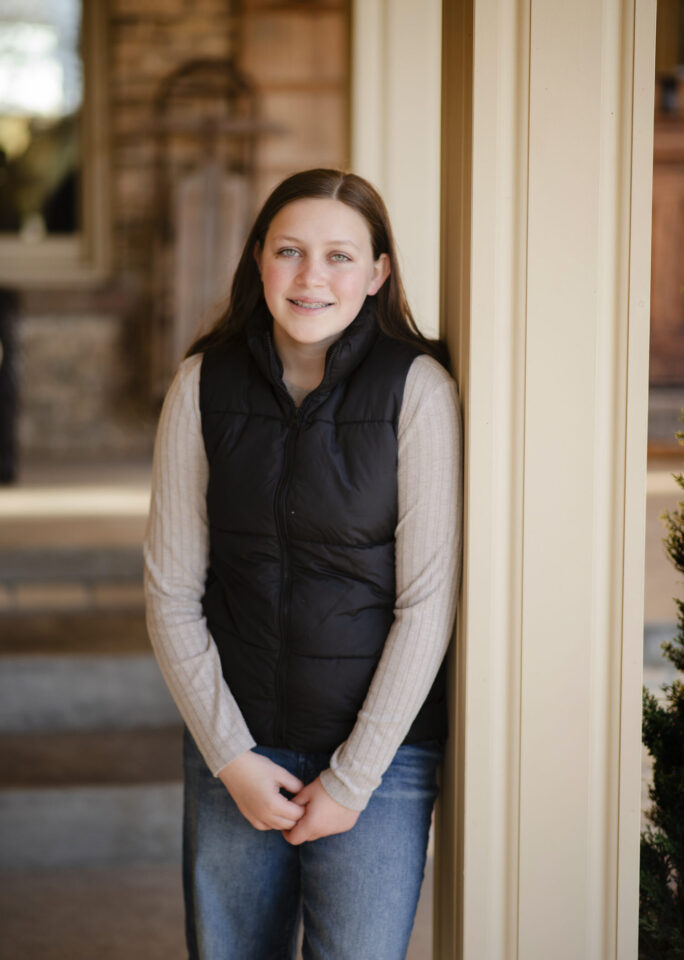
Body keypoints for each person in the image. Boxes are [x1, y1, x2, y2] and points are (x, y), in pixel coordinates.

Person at [144, 168, 462, 960]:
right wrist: (229, 757)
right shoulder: (200, 386)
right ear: (258, 261)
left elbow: (427, 603)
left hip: (380, 762)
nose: (312, 277)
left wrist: (355, 779)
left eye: (340, 256)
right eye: (289, 251)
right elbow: (171, 591)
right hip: (237, 747)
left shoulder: (417, 391)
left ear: (379, 271)